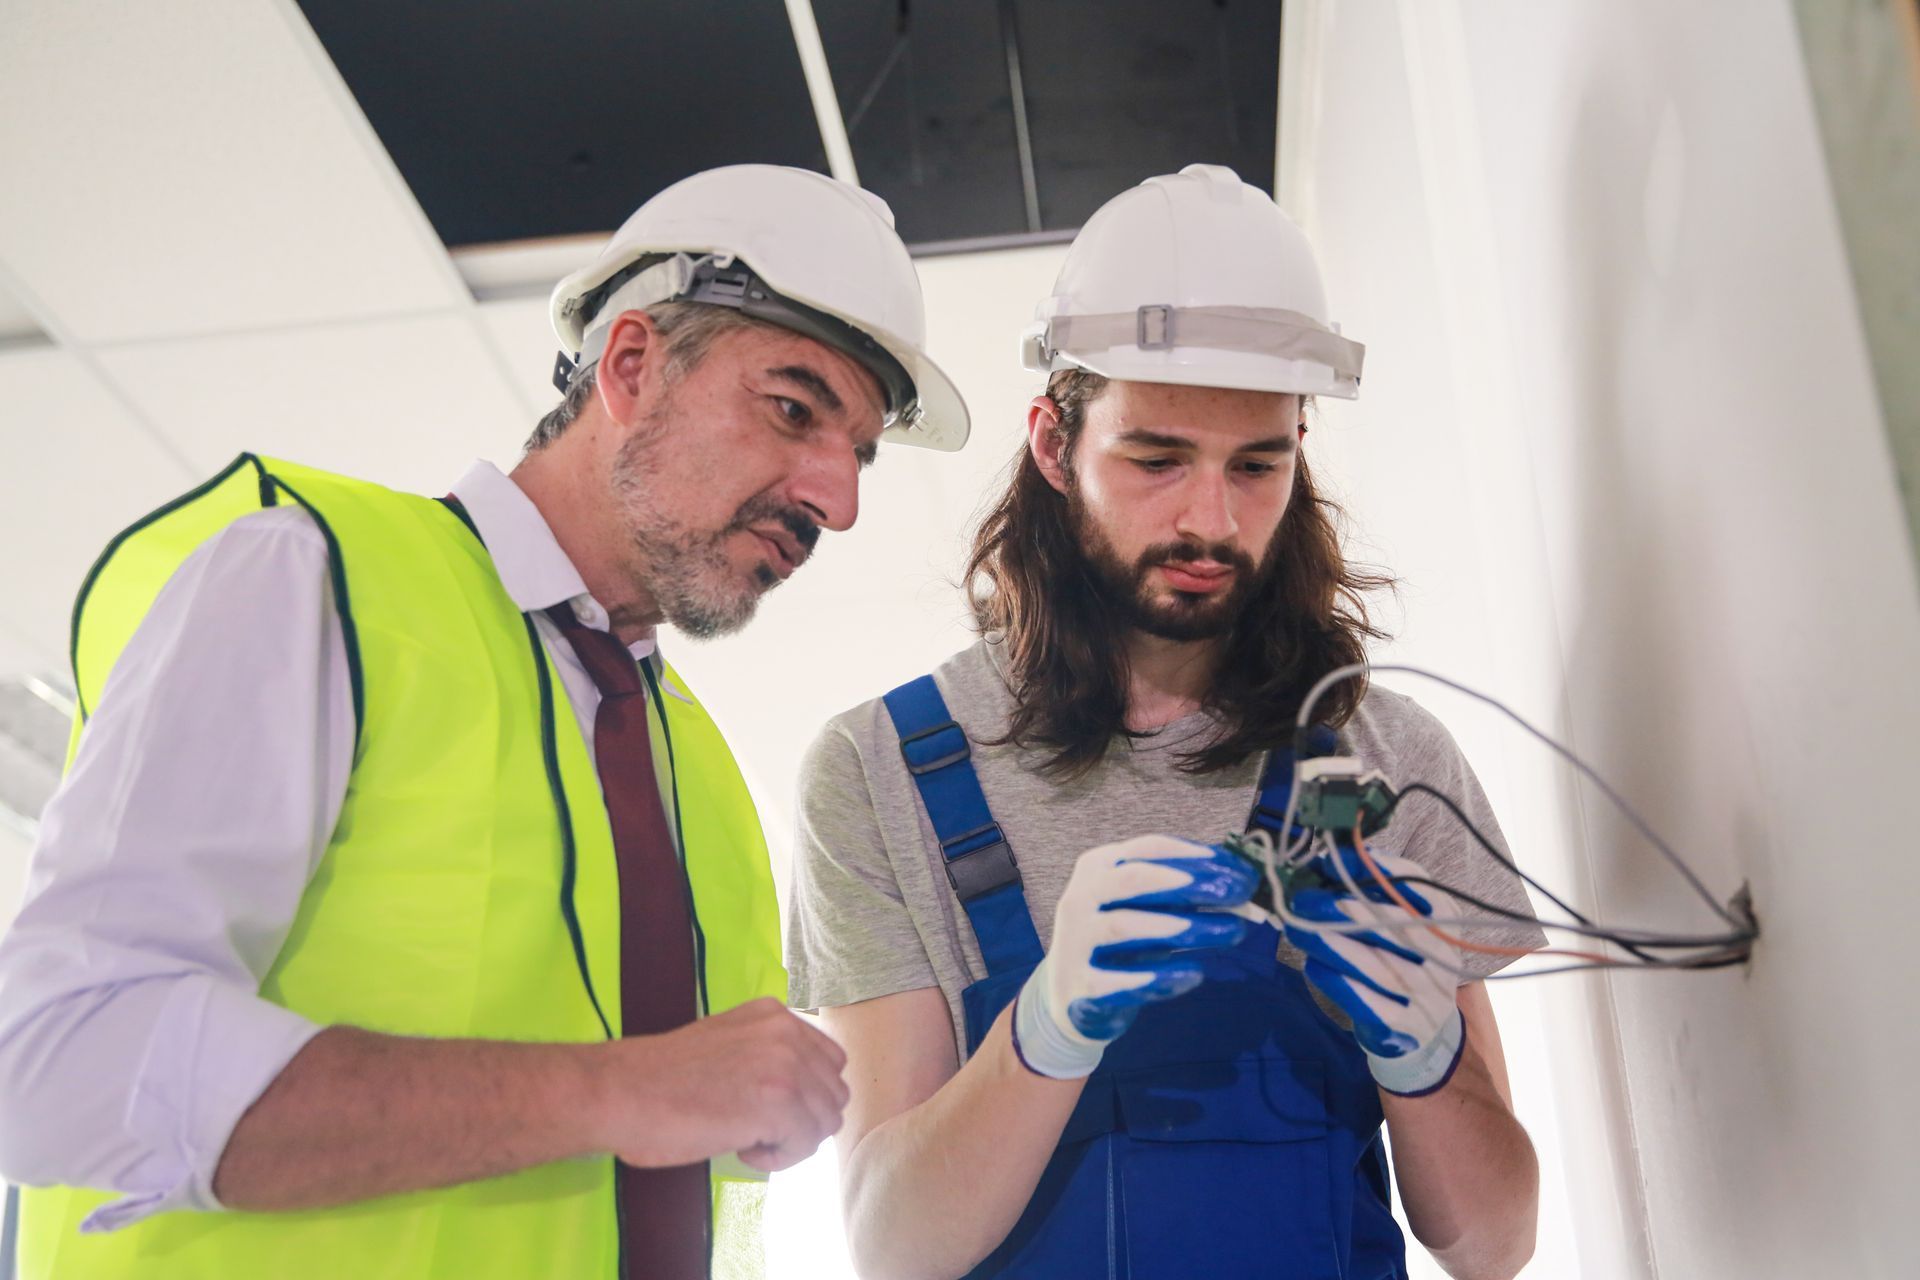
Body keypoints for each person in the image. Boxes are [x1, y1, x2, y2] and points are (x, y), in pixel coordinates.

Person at [0, 164, 970, 1280]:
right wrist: (623, 1088)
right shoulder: (314, 580)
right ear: (632, 365)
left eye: (857, 452)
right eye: (794, 409)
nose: (835, 499)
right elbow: (62, 1060)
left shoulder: (699, 771)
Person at [785, 165, 1543, 1279]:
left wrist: (1427, 1057)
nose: (1211, 518)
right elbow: (894, 1246)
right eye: (1156, 459)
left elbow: (1497, 1245)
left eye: (1257, 465)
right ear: (1054, 444)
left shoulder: (1389, 758)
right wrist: (1045, 1030)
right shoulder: (877, 769)